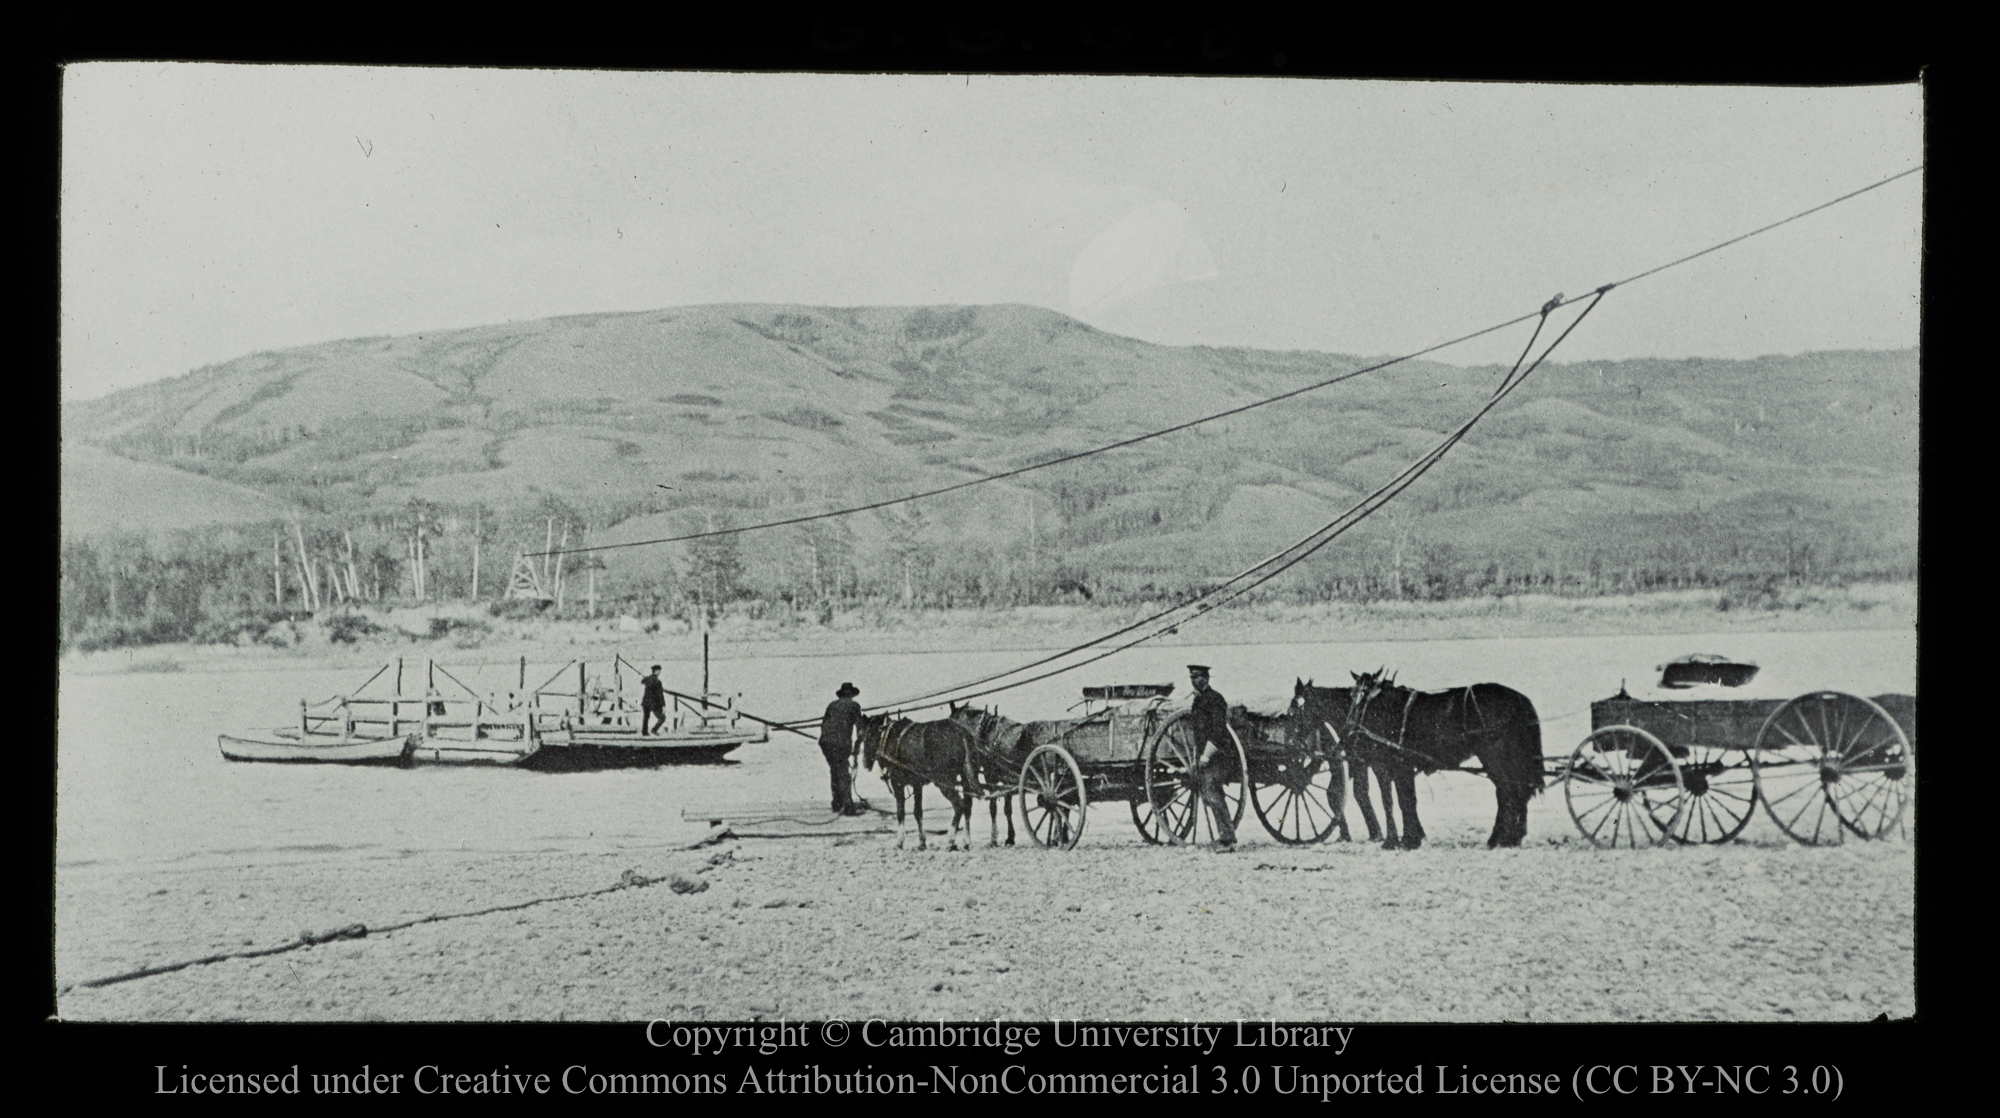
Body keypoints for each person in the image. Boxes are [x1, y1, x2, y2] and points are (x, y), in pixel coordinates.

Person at [1187, 665, 1237, 851]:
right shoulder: (1198, 701)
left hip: (1219, 756)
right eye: (1192, 678)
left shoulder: (1215, 699)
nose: (1195, 681)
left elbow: (1218, 731)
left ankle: (1227, 839)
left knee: (1212, 794)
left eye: (1198, 677)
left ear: (1207, 678)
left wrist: (1206, 756)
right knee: (1211, 796)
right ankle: (1226, 837)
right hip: (1207, 756)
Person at [820, 683, 867, 815]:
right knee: (843, 773)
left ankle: (837, 803)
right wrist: (857, 747)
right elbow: (861, 730)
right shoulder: (854, 706)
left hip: (825, 743)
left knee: (835, 770)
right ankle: (848, 807)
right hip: (840, 744)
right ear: (851, 695)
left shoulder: (831, 705)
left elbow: (823, 725)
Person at [639, 665, 667, 736]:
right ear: (657, 671)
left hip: (645, 702)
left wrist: (647, 677)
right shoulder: (658, 682)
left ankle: (644, 732)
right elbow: (660, 694)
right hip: (654, 703)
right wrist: (663, 705)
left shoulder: (647, 679)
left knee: (646, 718)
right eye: (659, 670)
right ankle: (654, 730)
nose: (660, 672)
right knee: (662, 718)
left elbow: (642, 681)